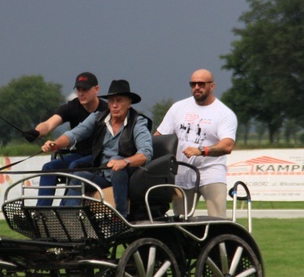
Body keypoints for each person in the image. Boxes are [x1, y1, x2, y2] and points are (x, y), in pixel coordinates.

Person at [41, 79, 153, 218]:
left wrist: (124, 162)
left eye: (119, 100)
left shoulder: (138, 122)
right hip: (102, 174)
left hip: (127, 175)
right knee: (77, 178)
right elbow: (74, 134)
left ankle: (121, 216)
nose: (114, 105)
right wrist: (56, 144)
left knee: (116, 161)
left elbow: (145, 154)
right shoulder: (98, 118)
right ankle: (68, 220)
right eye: (111, 101)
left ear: (129, 103)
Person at [155, 69, 237, 218]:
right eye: (193, 84)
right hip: (182, 171)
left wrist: (202, 150)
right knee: (180, 222)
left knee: (218, 220)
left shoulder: (224, 113)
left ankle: (220, 242)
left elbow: (227, 145)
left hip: (211, 172)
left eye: (201, 84)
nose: (196, 87)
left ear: (212, 86)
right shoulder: (178, 108)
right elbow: (159, 136)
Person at [23, 72, 108, 206]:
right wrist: (36, 132)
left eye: (85, 89)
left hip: (99, 157)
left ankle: (65, 209)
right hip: (79, 155)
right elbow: (49, 124)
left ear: (96, 89)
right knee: (49, 167)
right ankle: (41, 212)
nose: (81, 93)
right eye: (78, 90)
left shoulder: (106, 110)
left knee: (75, 166)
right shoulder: (72, 107)